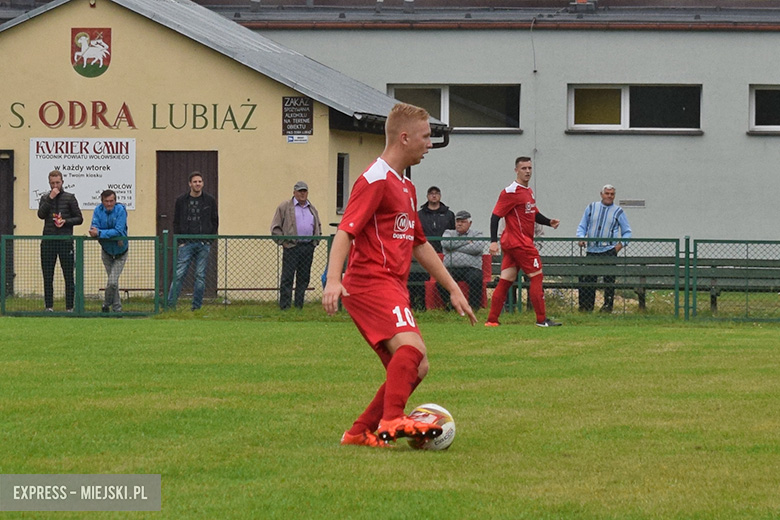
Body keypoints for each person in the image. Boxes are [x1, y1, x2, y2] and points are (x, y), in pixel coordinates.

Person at [323, 102, 476, 448]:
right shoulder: (375, 179)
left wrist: (452, 288)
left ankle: (358, 432)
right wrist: (333, 280)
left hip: (392, 285)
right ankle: (392, 419)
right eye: (425, 137)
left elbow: (419, 244)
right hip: (370, 282)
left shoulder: (405, 186)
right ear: (404, 138)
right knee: (412, 350)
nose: (430, 144)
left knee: (416, 368)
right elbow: (346, 231)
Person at [485, 156, 562, 328]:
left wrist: (548, 222)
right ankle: (541, 320)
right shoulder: (510, 192)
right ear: (516, 170)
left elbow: (533, 214)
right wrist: (493, 241)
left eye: (529, 168)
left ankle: (492, 320)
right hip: (521, 243)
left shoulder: (528, 191)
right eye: (523, 168)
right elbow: (495, 216)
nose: (527, 171)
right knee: (537, 276)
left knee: (506, 279)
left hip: (513, 244)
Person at [576, 184, 633, 313]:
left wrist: (619, 246)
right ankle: (587, 308)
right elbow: (582, 226)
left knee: (609, 281)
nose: (609, 196)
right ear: (601, 194)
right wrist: (581, 237)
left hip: (609, 251)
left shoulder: (618, 211)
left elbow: (627, 232)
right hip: (592, 250)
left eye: (612, 194)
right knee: (589, 280)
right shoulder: (591, 207)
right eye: (607, 193)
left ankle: (607, 307)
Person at [167, 171, 219, 311]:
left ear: (203, 183)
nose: (197, 184)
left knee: (200, 276)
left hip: (203, 244)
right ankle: (170, 306)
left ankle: (196, 307)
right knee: (179, 275)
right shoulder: (181, 201)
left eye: (200, 181)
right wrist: (180, 241)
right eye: (195, 181)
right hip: (186, 244)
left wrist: (209, 240)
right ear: (190, 184)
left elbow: (215, 221)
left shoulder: (210, 200)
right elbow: (176, 221)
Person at [270, 181, 323, 310]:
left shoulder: (312, 209)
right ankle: (285, 307)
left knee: (303, 278)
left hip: (308, 247)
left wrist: (315, 241)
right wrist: (283, 242)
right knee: (288, 277)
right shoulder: (285, 207)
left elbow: (318, 226)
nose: (302, 194)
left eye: (304, 191)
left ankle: (299, 306)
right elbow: (275, 227)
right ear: (294, 193)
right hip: (291, 247)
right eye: (300, 191)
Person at [37, 169, 83, 312]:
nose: (55, 185)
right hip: (48, 241)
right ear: (49, 183)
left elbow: (79, 218)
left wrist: (65, 221)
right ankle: (49, 306)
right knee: (47, 275)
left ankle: (69, 307)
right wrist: (50, 198)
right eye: (52, 183)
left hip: (65, 241)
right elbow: (41, 215)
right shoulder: (45, 198)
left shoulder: (70, 198)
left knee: (68, 275)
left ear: (62, 182)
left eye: (57, 182)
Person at [407, 186, 456, 310]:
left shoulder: (449, 214)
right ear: (427, 196)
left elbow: (453, 233)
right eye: (431, 193)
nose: (434, 195)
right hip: (423, 253)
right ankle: (418, 305)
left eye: (436, 193)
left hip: (443, 253)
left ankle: (449, 304)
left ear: (440, 196)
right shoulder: (419, 214)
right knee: (417, 275)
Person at [89, 189, 129, 313]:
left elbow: (118, 230)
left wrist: (100, 233)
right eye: (106, 201)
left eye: (111, 201)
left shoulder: (121, 210)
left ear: (115, 201)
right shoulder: (97, 210)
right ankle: (117, 309)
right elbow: (93, 228)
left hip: (121, 252)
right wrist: (98, 233)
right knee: (113, 282)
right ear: (102, 202)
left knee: (112, 281)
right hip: (106, 251)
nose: (109, 204)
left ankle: (106, 303)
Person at [437, 210, 485, 310]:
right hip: (451, 267)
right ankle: (450, 306)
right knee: (441, 280)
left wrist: (454, 247)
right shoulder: (448, 233)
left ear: (470, 223)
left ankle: (473, 307)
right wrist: (467, 242)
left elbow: (477, 248)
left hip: (472, 268)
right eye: (457, 221)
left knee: (476, 278)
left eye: (463, 221)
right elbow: (446, 244)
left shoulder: (477, 234)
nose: (459, 224)